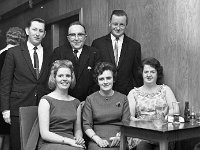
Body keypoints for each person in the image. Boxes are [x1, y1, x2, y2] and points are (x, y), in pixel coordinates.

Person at [0, 18, 51, 150]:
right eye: (34, 29)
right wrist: (5, 110)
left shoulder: (49, 54)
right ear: (27, 31)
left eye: (41, 30)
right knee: (18, 145)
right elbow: (5, 82)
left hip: (42, 108)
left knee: (37, 145)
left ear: (44, 34)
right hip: (18, 108)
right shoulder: (13, 52)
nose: (37, 33)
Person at [127, 57, 180, 150]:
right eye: (146, 72)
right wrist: (144, 123)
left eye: (152, 72)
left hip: (162, 133)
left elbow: (175, 109)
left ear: (157, 74)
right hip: (141, 134)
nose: (149, 75)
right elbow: (130, 117)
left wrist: (165, 116)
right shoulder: (133, 93)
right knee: (143, 147)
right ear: (142, 74)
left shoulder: (165, 89)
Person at [92, 9, 142, 95]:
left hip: (126, 95)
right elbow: (94, 72)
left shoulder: (134, 46)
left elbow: (137, 74)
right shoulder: (98, 44)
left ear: (126, 25)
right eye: (115, 24)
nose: (118, 28)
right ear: (109, 23)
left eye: (121, 24)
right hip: (103, 93)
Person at [38, 60, 85, 150]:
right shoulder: (46, 100)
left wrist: (79, 138)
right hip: (50, 143)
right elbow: (44, 134)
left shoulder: (76, 103)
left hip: (71, 143)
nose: (64, 79)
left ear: (72, 78)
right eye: (60, 76)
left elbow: (78, 129)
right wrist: (68, 141)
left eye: (68, 76)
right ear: (54, 78)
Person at [82, 62, 130, 150]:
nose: (105, 82)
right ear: (97, 81)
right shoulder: (90, 99)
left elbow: (126, 123)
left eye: (108, 78)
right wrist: (97, 139)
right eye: (101, 79)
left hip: (119, 140)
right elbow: (86, 125)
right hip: (96, 141)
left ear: (113, 79)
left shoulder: (123, 98)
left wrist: (119, 137)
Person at [51, 21, 101, 102]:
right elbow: (53, 78)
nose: (76, 38)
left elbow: (98, 79)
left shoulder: (94, 53)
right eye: (73, 35)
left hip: (88, 102)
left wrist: (88, 101)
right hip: (64, 101)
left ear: (85, 37)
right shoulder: (58, 52)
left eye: (80, 35)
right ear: (68, 38)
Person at [0, 27, 26, 150]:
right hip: (10, 101)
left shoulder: (1, 53)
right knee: (10, 136)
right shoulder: (15, 55)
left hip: (3, 100)